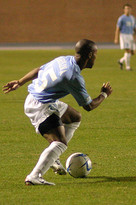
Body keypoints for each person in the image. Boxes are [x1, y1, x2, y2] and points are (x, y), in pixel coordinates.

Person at [3, 39, 113, 185]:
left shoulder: (64, 60)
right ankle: (34, 176)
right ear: (90, 55)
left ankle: (54, 157)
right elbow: (89, 106)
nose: (96, 58)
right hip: (40, 105)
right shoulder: (73, 76)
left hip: (40, 99)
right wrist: (104, 94)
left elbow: (39, 70)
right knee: (60, 143)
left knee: (74, 117)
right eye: (96, 55)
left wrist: (20, 81)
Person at [114, 4, 136, 71]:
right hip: (124, 35)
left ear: (131, 10)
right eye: (126, 9)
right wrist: (116, 38)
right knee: (128, 51)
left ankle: (121, 61)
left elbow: (134, 27)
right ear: (124, 10)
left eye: (129, 8)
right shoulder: (121, 18)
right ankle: (128, 67)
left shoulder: (132, 18)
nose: (128, 10)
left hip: (131, 35)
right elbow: (117, 28)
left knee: (132, 52)